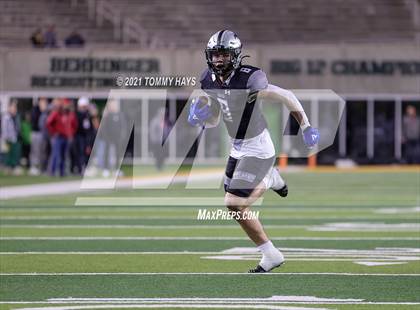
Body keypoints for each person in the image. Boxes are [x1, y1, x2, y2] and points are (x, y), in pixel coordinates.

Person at [188, 30, 319, 273]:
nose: (218, 61)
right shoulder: (207, 79)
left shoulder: (250, 79)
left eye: (224, 55)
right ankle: (270, 254)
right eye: (215, 55)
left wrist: (306, 126)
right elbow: (218, 118)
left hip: (258, 147)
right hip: (236, 146)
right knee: (237, 209)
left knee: (233, 203)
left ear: (235, 56)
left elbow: (286, 96)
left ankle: (270, 178)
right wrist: (202, 117)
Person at [46, 98, 78, 176]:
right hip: (58, 137)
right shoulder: (56, 113)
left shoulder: (70, 114)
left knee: (64, 155)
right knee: (56, 154)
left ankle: (62, 172)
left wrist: (71, 133)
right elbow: (48, 123)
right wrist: (53, 132)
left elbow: (75, 125)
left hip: (66, 137)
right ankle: (52, 171)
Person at [1, 100, 22, 174]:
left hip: (14, 138)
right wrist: (6, 138)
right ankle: (7, 167)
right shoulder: (6, 117)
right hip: (8, 139)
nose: (14, 109)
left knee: (14, 154)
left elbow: (18, 128)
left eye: (15, 107)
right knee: (7, 154)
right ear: (9, 108)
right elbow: (4, 128)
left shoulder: (16, 116)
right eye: (13, 107)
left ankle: (13, 167)